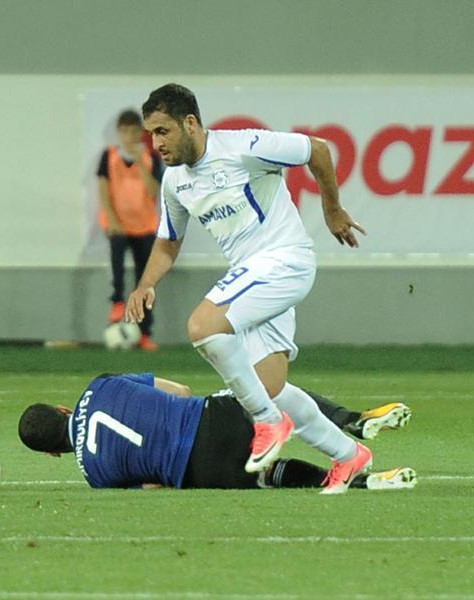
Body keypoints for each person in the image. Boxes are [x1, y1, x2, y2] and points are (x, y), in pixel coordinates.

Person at [126, 84, 368, 493]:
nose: (156, 143)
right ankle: (349, 456)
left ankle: (267, 422)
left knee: (202, 325)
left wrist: (332, 209)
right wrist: (145, 284)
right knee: (269, 387)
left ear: (190, 123)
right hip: (256, 280)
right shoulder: (175, 182)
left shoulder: (243, 148)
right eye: (151, 134)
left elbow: (318, 149)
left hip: (284, 260)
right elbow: (168, 242)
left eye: (163, 131)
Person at [18, 372, 415, 491]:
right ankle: (351, 420)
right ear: (62, 408)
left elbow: (153, 486)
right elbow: (180, 391)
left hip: (200, 472)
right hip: (210, 418)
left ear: (51, 453)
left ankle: (363, 483)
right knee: (271, 392)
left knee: (272, 474)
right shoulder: (101, 384)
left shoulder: (95, 475)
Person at [97, 109, 164, 351]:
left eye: (134, 131)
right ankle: (117, 301)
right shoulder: (109, 156)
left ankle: (144, 332)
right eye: (124, 131)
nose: (129, 136)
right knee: (117, 264)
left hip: (145, 226)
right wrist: (112, 220)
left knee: (144, 282)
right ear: (119, 132)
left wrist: (140, 164)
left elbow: (154, 191)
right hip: (119, 225)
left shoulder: (151, 158)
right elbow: (104, 191)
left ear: (140, 133)